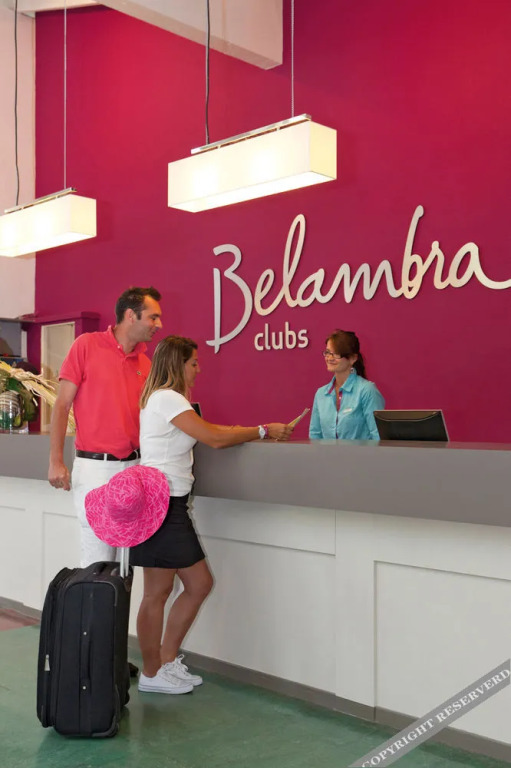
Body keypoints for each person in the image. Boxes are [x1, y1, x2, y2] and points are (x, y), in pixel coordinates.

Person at [131, 335, 294, 695]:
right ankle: (152, 672)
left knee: (190, 585)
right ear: (178, 365)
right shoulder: (167, 397)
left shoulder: (165, 399)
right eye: (193, 363)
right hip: (160, 505)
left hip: (167, 504)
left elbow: (212, 432)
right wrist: (263, 430)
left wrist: (250, 432)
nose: (198, 369)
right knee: (160, 592)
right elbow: (214, 439)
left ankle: (164, 663)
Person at [47, 286, 163, 567]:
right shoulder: (86, 345)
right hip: (95, 470)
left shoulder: (146, 364)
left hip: (134, 468)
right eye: (153, 317)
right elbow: (61, 406)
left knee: (125, 565)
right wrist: (56, 461)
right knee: (97, 563)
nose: (158, 324)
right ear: (130, 315)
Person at [309, 329, 384, 440]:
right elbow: (315, 436)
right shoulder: (321, 394)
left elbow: (378, 436)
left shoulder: (367, 390)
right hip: (326, 452)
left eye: (336, 354)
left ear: (353, 358)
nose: (329, 358)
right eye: (327, 352)